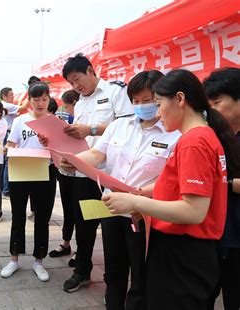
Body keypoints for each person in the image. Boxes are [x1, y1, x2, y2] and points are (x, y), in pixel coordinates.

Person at [100, 69, 239, 309]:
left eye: (157, 103)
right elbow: (179, 185)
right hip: (189, 250)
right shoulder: (200, 137)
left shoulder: (193, 143)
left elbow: (193, 211)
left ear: (180, 99)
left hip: (182, 251)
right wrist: (143, 193)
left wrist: (135, 203)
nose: (156, 112)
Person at [60, 70, 180, 308]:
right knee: (114, 270)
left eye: (148, 101)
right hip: (113, 209)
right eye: (136, 101)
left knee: (141, 274)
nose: (141, 106)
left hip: (145, 214)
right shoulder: (120, 126)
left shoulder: (175, 134)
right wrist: (75, 161)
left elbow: (173, 180)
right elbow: (97, 153)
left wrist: (139, 197)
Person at [57, 53, 133, 292]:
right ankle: (82, 271)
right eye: (71, 83)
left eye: (77, 78)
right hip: (82, 173)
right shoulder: (79, 101)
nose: (75, 85)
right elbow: (78, 136)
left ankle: (114, 284)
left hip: (108, 176)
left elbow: (129, 126)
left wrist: (91, 128)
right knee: (84, 225)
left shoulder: (116, 93)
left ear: (90, 71)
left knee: (112, 233)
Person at [0, 82, 58, 282]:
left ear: (49, 99)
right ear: (29, 101)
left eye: (44, 99)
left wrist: (49, 145)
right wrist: (6, 149)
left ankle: (38, 261)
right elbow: (11, 143)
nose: (40, 103)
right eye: (36, 99)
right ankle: (14, 259)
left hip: (45, 174)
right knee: (18, 216)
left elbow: (60, 152)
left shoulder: (54, 122)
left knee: (42, 218)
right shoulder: (20, 121)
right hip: (21, 173)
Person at [203, 68, 240, 310]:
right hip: (214, 233)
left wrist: (224, 184)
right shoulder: (213, 135)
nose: (213, 110)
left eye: (218, 102)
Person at [48, 90, 80, 264]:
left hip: (83, 172)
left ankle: (81, 250)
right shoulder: (64, 119)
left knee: (80, 212)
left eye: (67, 106)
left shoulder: (83, 121)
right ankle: (66, 242)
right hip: (65, 170)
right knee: (68, 208)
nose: (65, 110)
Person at [0, 86, 31, 200]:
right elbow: (23, 107)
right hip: (8, 135)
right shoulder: (7, 105)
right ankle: (6, 190)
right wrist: (30, 92)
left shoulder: (4, 106)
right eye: (11, 95)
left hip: (5, 134)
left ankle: (3, 188)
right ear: (4, 96)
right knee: (8, 162)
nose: (13, 97)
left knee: (4, 163)